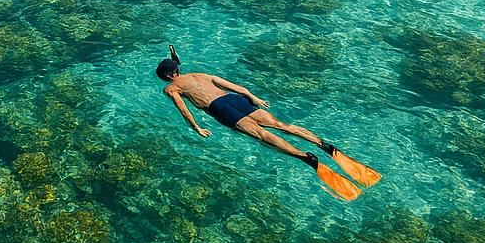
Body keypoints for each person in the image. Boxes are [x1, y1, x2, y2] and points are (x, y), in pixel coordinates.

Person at [156, 45, 380, 201]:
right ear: (176, 70)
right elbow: (237, 87)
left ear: (166, 77)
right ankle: (325, 146)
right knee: (283, 125)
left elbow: (184, 109)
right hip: (234, 99)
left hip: (220, 108)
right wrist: (253, 97)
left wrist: (196, 127)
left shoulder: (171, 88)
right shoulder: (201, 74)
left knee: (263, 136)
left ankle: (308, 159)